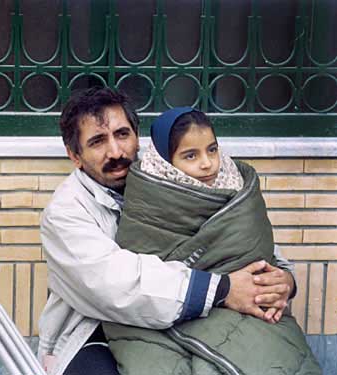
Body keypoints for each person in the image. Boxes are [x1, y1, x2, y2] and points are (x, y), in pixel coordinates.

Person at [37, 87, 296, 375]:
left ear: (137, 136)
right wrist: (223, 289)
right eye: (98, 141)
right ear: (75, 155)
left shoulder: (167, 175)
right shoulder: (65, 212)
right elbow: (116, 285)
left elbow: (239, 235)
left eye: (122, 134)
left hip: (195, 316)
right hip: (92, 330)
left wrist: (282, 279)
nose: (115, 151)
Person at [102, 107, 321, 374]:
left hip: (251, 308)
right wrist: (221, 289)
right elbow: (143, 275)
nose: (207, 163)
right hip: (167, 313)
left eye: (212, 149)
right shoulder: (148, 199)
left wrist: (282, 282)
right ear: (165, 161)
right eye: (190, 155)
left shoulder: (236, 187)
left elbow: (257, 250)